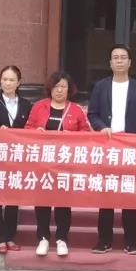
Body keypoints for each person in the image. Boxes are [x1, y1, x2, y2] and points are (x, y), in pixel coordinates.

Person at [87, 45, 136, 254]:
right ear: (110, 63)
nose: (119, 61)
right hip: (108, 147)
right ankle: (104, 240)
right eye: (116, 58)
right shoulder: (101, 87)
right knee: (106, 195)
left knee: (129, 197)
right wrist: (101, 127)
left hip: (131, 148)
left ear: (130, 62)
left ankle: (131, 241)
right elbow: (93, 114)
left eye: (123, 57)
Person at [26, 71, 90, 257]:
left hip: (65, 163)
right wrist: (36, 132)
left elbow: (86, 133)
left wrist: (73, 136)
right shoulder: (39, 106)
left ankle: (62, 238)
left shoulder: (76, 110)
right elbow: (27, 128)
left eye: (63, 87)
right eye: (56, 86)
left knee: (63, 202)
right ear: (50, 88)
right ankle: (43, 238)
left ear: (69, 90)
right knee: (42, 201)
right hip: (43, 162)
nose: (59, 90)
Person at [0, 65, 33, 254]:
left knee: (13, 199)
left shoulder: (27, 105)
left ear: (19, 82)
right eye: (4, 79)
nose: (7, 83)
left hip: (17, 158)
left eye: (11, 80)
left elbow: (31, 129)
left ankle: (10, 236)